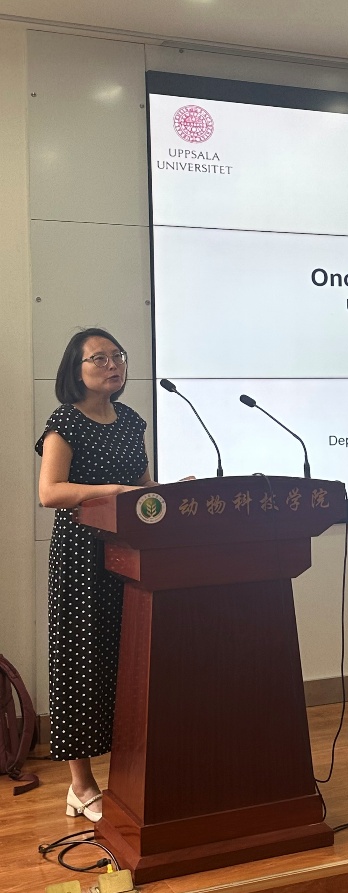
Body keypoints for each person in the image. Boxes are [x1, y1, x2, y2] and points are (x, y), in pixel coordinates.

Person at [35, 328, 156, 822]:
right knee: (80, 662)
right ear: (76, 370)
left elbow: (142, 486)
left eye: (117, 356)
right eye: (99, 358)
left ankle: (132, 772)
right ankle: (80, 785)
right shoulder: (64, 421)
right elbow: (50, 492)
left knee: (128, 660)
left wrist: (170, 491)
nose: (112, 365)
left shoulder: (131, 421)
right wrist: (110, 490)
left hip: (131, 555)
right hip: (81, 558)